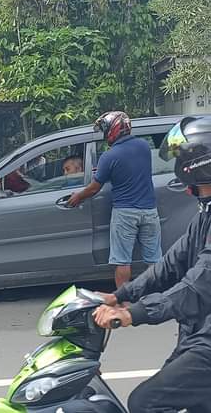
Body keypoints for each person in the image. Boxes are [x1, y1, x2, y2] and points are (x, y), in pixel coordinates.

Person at [90, 116, 211, 413]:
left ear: (198, 163)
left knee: (145, 402)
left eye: (180, 155)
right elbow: (170, 266)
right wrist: (120, 295)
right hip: (208, 333)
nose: (175, 162)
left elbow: (199, 287)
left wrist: (133, 314)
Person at [67, 111, 160, 288]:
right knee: (154, 259)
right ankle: (155, 297)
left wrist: (77, 197)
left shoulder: (109, 157)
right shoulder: (144, 147)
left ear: (114, 129)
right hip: (149, 211)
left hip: (125, 213)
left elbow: (94, 188)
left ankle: (123, 302)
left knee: (123, 261)